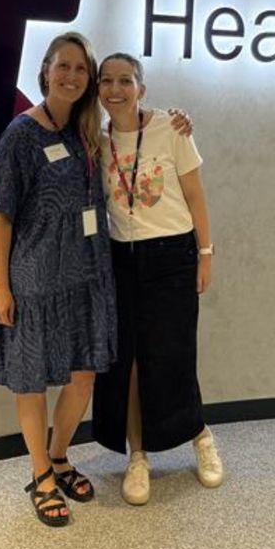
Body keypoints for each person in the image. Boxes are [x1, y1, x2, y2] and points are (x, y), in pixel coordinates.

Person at [0, 32, 116, 527]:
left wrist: (180, 119)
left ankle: (59, 456)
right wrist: (3, 287)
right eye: (64, 66)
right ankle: (40, 475)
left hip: (86, 277)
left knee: (83, 375)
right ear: (46, 69)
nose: (72, 76)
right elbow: (2, 217)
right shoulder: (21, 134)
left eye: (81, 69)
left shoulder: (89, 131)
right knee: (30, 380)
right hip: (32, 280)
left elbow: (141, 122)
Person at [92, 52, 224, 505]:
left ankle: (201, 436)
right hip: (119, 258)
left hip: (172, 255)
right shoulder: (95, 138)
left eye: (125, 80)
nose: (115, 89)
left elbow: (195, 194)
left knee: (173, 352)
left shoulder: (172, 128)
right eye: (106, 80)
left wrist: (205, 254)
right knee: (126, 360)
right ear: (98, 89)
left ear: (141, 88)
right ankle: (138, 455)